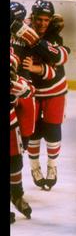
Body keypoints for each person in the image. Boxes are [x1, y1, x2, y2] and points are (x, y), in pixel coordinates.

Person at [14, 0, 70, 192]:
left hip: (55, 90)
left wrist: (36, 66)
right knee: (33, 131)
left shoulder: (53, 35)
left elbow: (59, 62)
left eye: (47, 20)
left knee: (53, 129)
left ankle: (52, 167)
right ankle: (35, 167)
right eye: (39, 19)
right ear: (32, 17)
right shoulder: (22, 29)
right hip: (31, 92)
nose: (43, 24)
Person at [10, 47, 35, 223]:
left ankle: (17, 194)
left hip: (11, 126)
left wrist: (15, 81)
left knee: (15, 162)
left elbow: (29, 91)